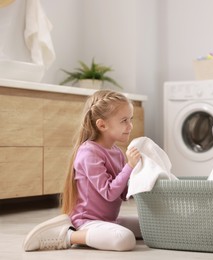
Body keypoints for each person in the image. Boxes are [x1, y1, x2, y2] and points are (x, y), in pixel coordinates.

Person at [23, 90, 142, 251]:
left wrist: (140, 173)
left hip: (108, 220)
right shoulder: (89, 152)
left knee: (150, 227)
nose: (130, 126)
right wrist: (129, 166)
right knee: (124, 240)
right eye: (124, 120)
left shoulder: (117, 153)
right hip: (87, 221)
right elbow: (109, 193)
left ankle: (98, 234)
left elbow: (122, 194)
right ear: (102, 125)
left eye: (131, 119)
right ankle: (67, 235)